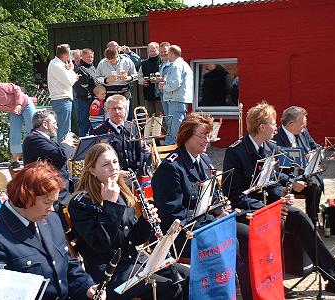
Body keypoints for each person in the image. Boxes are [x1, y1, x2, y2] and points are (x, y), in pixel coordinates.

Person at [221, 101, 335, 298]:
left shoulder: (269, 146)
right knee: (279, 223)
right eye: (273, 123)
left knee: (302, 219)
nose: (276, 127)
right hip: (250, 210)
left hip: (270, 206)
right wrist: (268, 208)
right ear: (261, 127)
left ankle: (332, 277)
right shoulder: (236, 152)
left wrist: (286, 189)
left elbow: (274, 178)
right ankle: (274, 282)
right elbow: (232, 194)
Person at [68, 143, 188, 300]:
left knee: (187, 276)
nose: (113, 168)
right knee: (170, 288)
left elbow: (134, 239)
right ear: (92, 170)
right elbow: (101, 244)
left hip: (135, 261)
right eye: (106, 164)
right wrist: (109, 206)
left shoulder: (122, 192)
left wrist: (145, 221)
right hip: (109, 275)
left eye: (115, 162)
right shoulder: (81, 203)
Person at [151, 112, 252, 299]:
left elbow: (211, 196)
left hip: (206, 223)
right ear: (187, 136)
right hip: (182, 234)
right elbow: (172, 214)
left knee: (247, 233)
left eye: (209, 135)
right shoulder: (171, 168)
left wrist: (220, 209)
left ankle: (247, 291)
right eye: (203, 135)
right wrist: (213, 219)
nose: (207, 140)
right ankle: (224, 290)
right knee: (232, 241)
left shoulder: (204, 160)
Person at [0, 161, 103, 300]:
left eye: (53, 202)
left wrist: (87, 287)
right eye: (47, 202)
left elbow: (67, 264)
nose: (51, 209)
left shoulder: (51, 219)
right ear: (26, 197)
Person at [22, 110, 77, 228]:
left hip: (61, 194)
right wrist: (66, 143)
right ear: (45, 124)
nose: (57, 127)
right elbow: (61, 155)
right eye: (54, 123)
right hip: (51, 198)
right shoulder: (33, 139)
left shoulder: (45, 140)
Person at [273, 106, 323, 223]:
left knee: (315, 186)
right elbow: (275, 170)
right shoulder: (275, 137)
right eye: (302, 123)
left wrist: (313, 154)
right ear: (291, 124)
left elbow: (315, 146)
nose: (304, 126)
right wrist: (292, 182)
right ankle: (287, 222)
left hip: (305, 176)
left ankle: (311, 222)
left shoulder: (303, 132)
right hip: (286, 178)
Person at [90, 94, 147, 176]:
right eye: (113, 109)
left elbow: (139, 151)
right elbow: (98, 160)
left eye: (120, 108)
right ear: (107, 110)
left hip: (134, 175)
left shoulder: (133, 127)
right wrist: (116, 172)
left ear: (125, 110)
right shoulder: (98, 131)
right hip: (112, 176)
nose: (117, 112)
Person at [158, 45, 193, 145]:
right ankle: (174, 149)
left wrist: (163, 86)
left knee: (176, 130)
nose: (166, 55)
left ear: (172, 53)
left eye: (168, 53)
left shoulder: (176, 65)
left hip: (176, 99)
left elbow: (175, 83)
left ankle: (179, 152)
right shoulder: (184, 64)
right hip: (180, 99)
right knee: (177, 128)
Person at [47, 43, 78, 143]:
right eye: (69, 54)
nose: (70, 56)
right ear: (64, 55)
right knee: (64, 130)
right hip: (62, 100)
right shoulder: (58, 65)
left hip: (61, 99)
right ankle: (63, 155)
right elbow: (70, 81)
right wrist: (72, 70)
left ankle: (64, 153)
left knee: (64, 129)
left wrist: (69, 70)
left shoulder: (58, 64)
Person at [73, 48, 97, 137]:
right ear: (82, 57)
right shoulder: (80, 69)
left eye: (92, 57)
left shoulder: (93, 67)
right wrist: (89, 95)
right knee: (84, 125)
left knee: (93, 124)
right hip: (83, 101)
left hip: (93, 100)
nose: (90, 59)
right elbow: (77, 86)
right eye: (88, 57)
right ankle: (83, 147)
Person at [138, 42, 162, 116]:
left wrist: (158, 80)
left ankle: (160, 128)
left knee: (160, 117)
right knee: (150, 117)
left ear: (158, 49)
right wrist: (143, 81)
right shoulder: (144, 63)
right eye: (150, 51)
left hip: (160, 94)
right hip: (148, 94)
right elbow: (139, 77)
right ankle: (151, 128)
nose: (151, 53)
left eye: (153, 50)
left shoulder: (162, 62)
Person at [156, 42, 172, 117]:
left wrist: (160, 79)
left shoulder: (173, 64)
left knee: (172, 116)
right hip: (163, 93)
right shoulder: (161, 64)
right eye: (161, 52)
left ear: (170, 51)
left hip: (171, 93)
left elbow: (174, 79)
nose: (163, 54)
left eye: (165, 51)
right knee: (167, 116)